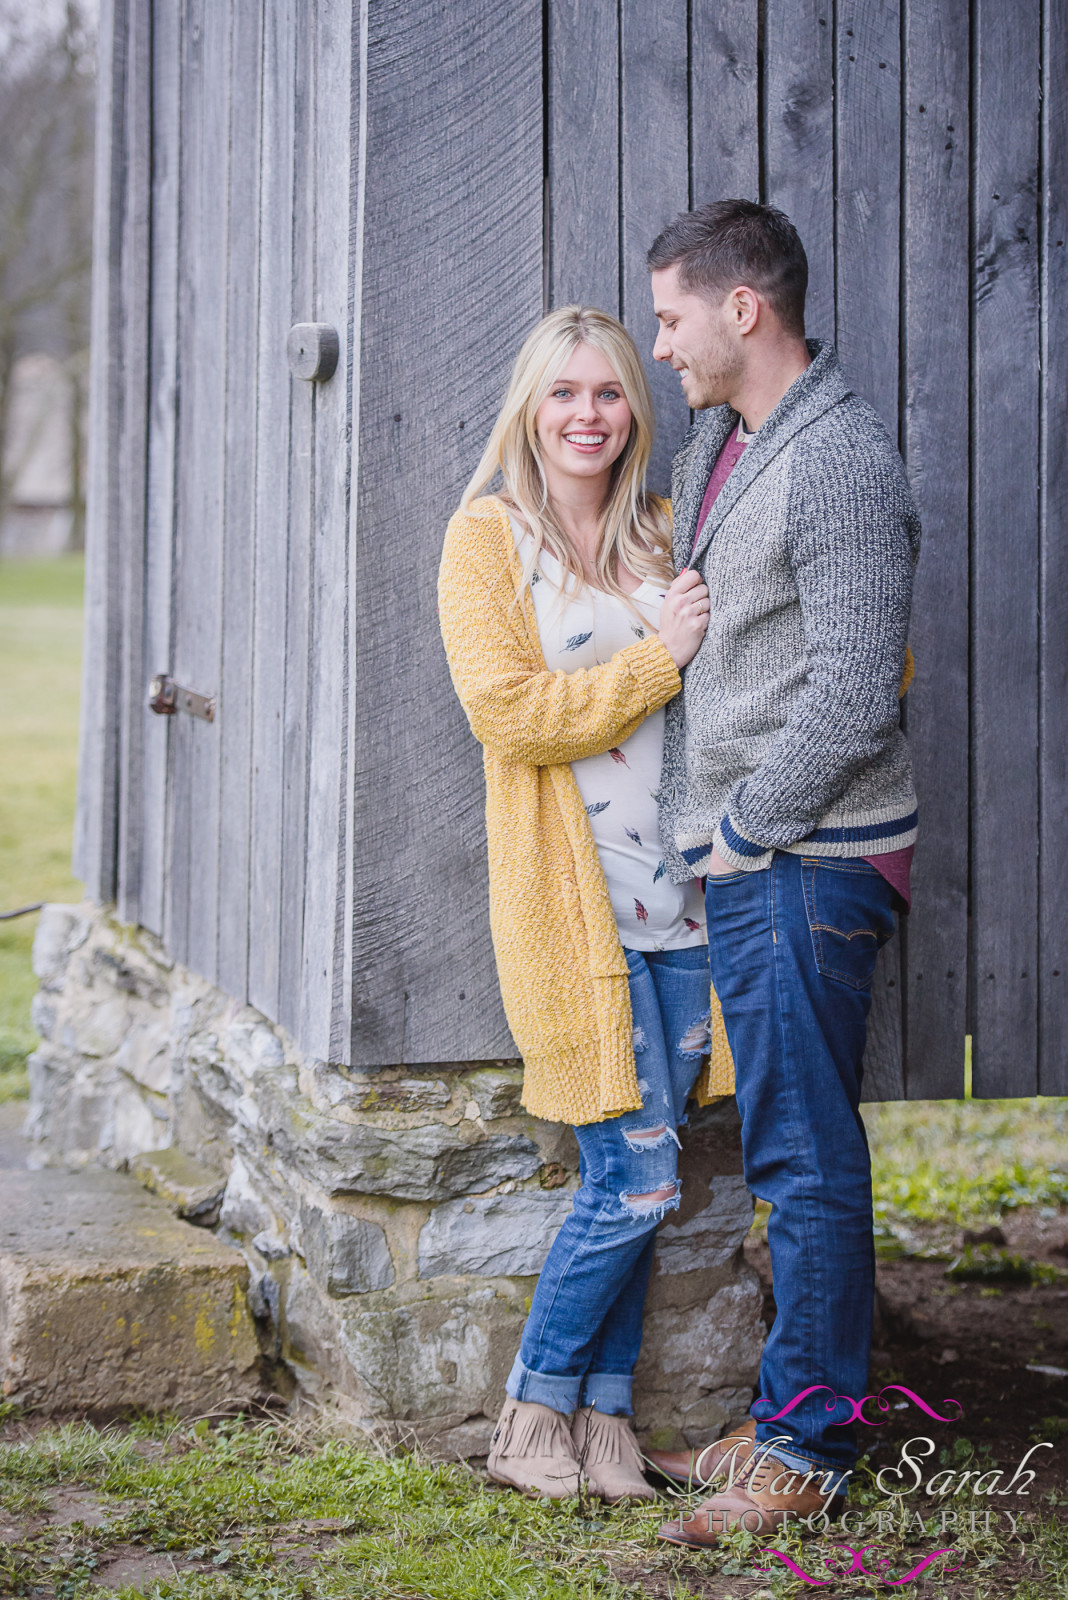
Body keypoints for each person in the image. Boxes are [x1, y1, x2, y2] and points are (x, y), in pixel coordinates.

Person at [640, 199, 920, 1545]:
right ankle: (787, 1414)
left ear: (742, 307)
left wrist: (747, 825)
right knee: (781, 1146)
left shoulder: (842, 458)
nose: (660, 343)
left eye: (671, 315)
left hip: (811, 856)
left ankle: (809, 1450)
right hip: (758, 854)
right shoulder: (721, 445)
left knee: (806, 1157)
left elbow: (859, 684)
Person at [438, 306, 720, 1503]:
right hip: (580, 916)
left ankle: (606, 1431)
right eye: (565, 394)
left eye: (609, 393)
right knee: (636, 1183)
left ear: (633, 410)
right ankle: (530, 1415)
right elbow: (510, 711)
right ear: (530, 408)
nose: (589, 414)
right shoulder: (488, 541)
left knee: (648, 1188)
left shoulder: (663, 534)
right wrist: (662, 661)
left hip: (689, 912)